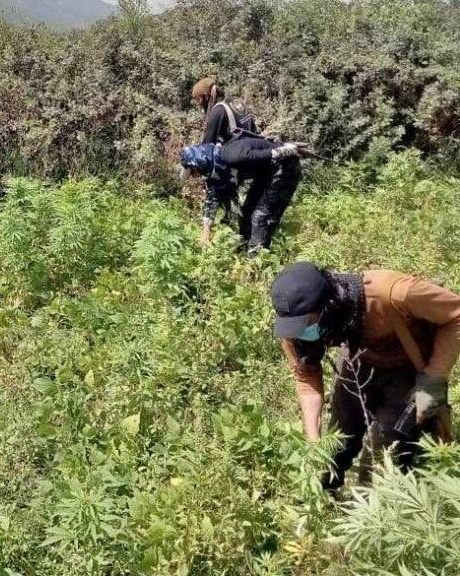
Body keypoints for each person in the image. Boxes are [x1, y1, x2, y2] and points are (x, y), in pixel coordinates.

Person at [271, 262, 459, 490]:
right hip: (358, 360)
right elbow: (306, 377)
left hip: (407, 370)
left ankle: (368, 507)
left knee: (388, 448)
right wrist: (314, 443)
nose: (300, 331)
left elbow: (455, 316)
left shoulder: (392, 293)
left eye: (307, 323)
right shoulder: (293, 325)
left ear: (329, 305)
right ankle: (326, 495)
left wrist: (433, 379)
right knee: (338, 438)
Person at [179, 134, 302, 257]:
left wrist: (288, 148)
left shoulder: (233, 156)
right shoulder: (216, 168)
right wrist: (206, 228)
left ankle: (256, 262)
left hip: (285, 168)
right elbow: (212, 197)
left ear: (200, 162)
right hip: (266, 172)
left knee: (259, 217)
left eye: (193, 172)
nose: (194, 176)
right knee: (247, 211)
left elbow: (273, 153)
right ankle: (243, 252)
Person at [191, 77, 259, 244]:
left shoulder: (218, 111)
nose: (199, 105)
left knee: (213, 184)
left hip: (233, 163)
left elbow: (207, 147)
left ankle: (208, 238)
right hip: (250, 163)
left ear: (204, 97)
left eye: (199, 100)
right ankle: (241, 238)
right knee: (240, 205)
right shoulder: (238, 103)